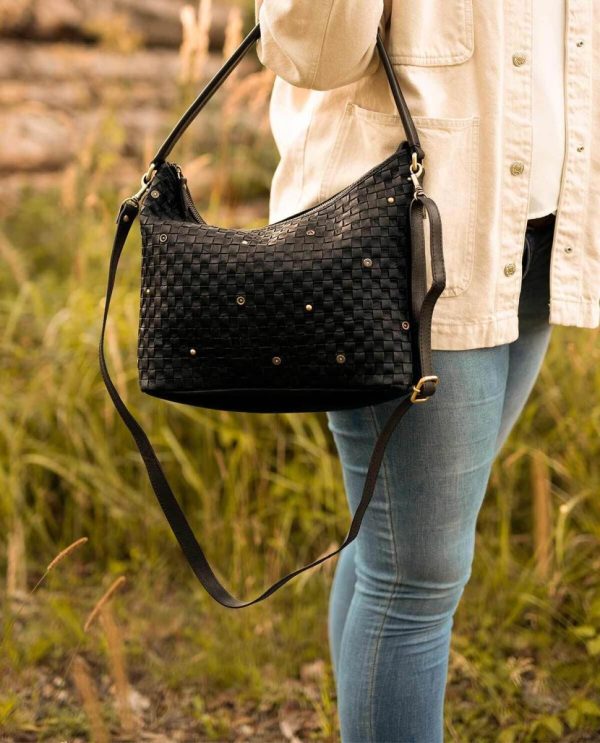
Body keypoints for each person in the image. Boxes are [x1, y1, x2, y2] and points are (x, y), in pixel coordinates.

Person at [255, 1, 599, 740]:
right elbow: (311, 55)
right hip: (402, 245)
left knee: (395, 550)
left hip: (536, 228)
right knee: (415, 577)